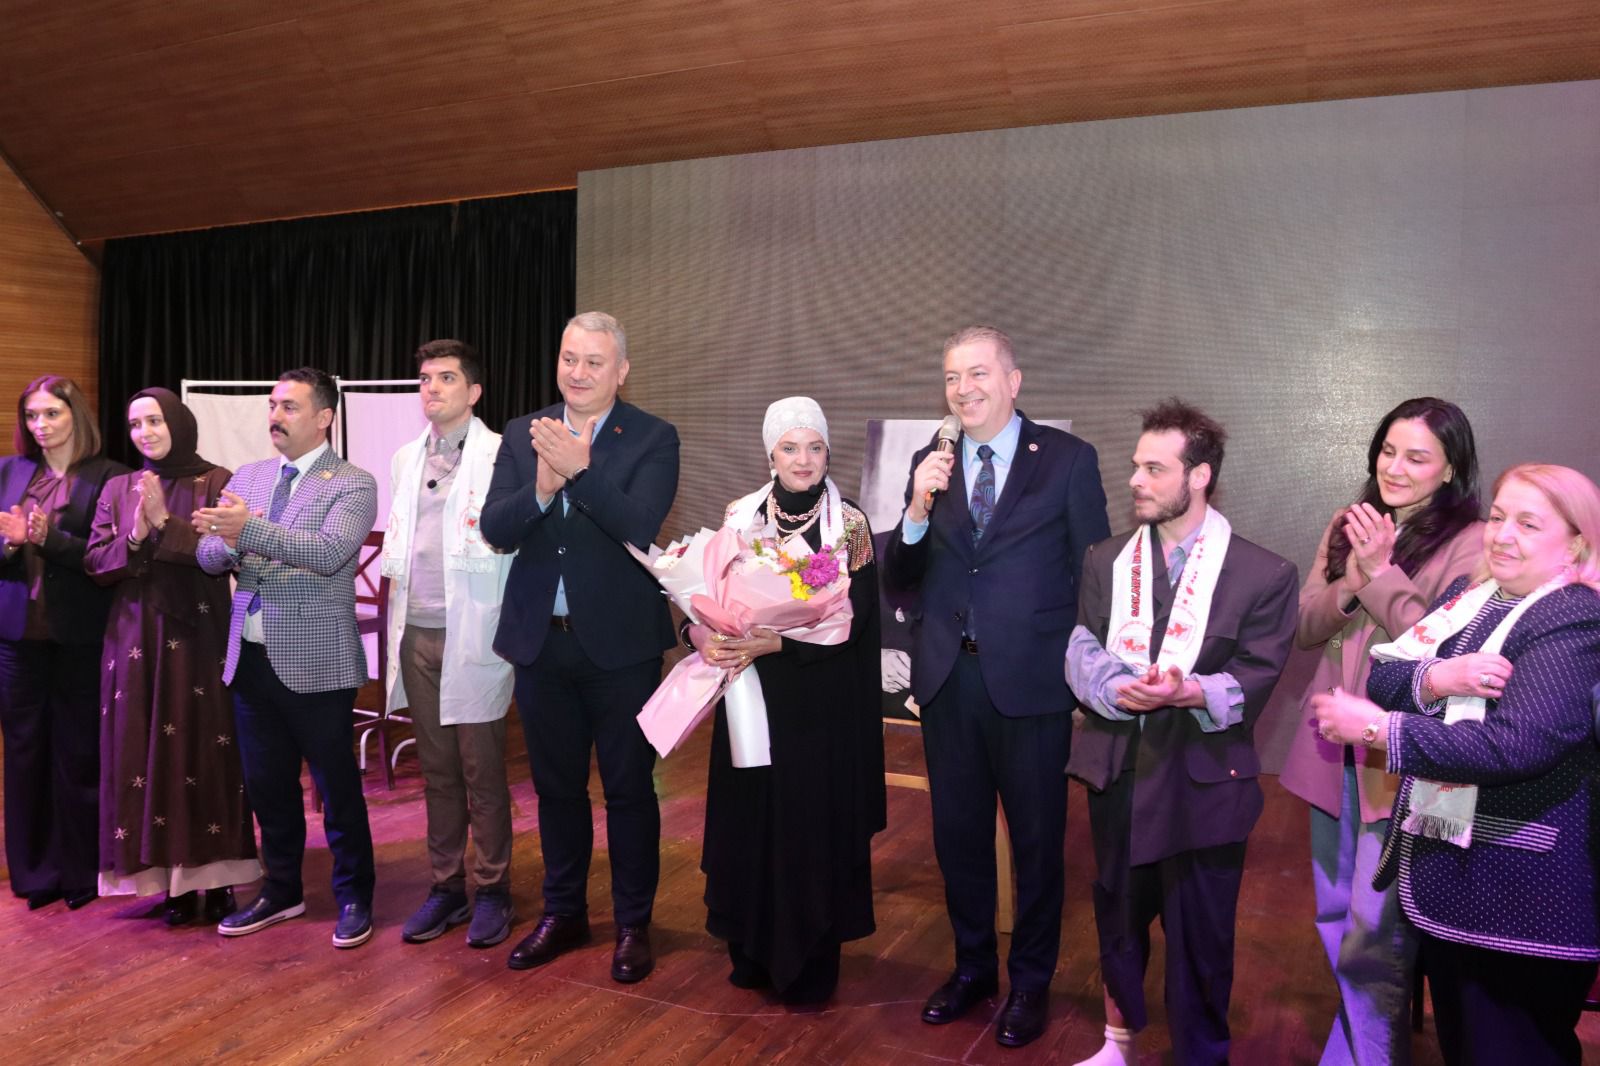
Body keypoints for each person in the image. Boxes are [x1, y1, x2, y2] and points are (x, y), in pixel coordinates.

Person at [1314, 464, 1600, 1066]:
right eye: (1497, 517)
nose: (1502, 535)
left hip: (1521, 892)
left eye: (1528, 524)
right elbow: (1386, 674)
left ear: (1576, 543)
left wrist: (1380, 730)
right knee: (1465, 1044)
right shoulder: (1470, 598)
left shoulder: (1573, 615)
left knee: (1513, 1048)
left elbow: (1516, 745)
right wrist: (1439, 677)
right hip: (1453, 868)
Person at [882, 325, 1109, 1048]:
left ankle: (1031, 983)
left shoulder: (1068, 460)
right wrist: (915, 511)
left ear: (1013, 381)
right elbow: (900, 577)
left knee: (1039, 843)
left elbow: (1095, 575)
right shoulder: (931, 462)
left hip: (1033, 683)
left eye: (978, 373)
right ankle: (973, 968)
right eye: (952, 377)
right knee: (959, 839)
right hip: (950, 681)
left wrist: (1087, 678)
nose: (963, 389)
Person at [1066, 400, 1298, 1066]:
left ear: (1199, 476)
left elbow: (1256, 675)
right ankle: (1117, 1043)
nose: (1135, 480)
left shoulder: (1263, 574)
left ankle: (1201, 1055)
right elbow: (1082, 645)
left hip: (1205, 782)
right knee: (1117, 917)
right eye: (1136, 466)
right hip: (1119, 767)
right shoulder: (1106, 558)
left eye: (1154, 469)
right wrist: (1115, 690)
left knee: (1202, 936)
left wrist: (1188, 691)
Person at [1273, 397, 1483, 1065]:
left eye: (1417, 457)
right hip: (1328, 749)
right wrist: (1350, 581)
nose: (1395, 467)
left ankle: (1361, 1054)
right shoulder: (1352, 522)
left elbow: (1439, 649)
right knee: (1335, 915)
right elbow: (1305, 628)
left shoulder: (1473, 543)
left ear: (1450, 470)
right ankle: (1363, 1042)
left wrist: (1382, 573)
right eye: (1388, 451)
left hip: (1404, 759)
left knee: (1375, 932)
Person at [481, 311, 679, 983]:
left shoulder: (653, 436)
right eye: (570, 358)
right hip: (542, 645)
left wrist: (580, 471)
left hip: (621, 649)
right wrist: (542, 487)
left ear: (621, 371)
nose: (579, 372)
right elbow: (495, 527)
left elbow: (640, 524)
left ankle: (632, 924)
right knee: (556, 790)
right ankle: (563, 913)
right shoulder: (522, 432)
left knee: (628, 791)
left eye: (595, 362)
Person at [684, 396, 886, 1004]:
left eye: (815, 447)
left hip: (820, 705)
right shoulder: (739, 516)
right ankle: (751, 948)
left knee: (810, 828)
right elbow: (707, 593)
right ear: (770, 454)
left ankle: (810, 961)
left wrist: (785, 642)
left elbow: (861, 619)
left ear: (828, 452)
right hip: (752, 696)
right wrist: (700, 632)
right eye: (791, 447)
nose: (804, 459)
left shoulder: (850, 525)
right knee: (754, 821)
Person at [194, 368, 379, 949]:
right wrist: (228, 542)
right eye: (272, 406)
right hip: (249, 656)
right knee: (268, 787)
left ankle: (354, 896)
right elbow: (206, 555)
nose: (275, 416)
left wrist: (247, 532)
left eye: (290, 407)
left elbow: (327, 553)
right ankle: (281, 890)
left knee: (337, 789)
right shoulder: (248, 475)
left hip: (317, 661)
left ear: (324, 417)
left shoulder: (352, 482)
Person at [84, 388, 258, 925]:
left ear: (178, 423)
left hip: (200, 636)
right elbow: (96, 563)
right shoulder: (118, 487)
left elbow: (224, 556)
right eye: (136, 424)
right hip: (134, 640)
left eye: (155, 421)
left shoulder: (217, 482)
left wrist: (165, 523)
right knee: (142, 755)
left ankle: (219, 880)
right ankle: (169, 885)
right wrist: (136, 535)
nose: (145, 433)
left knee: (205, 750)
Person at [379, 341, 516, 948]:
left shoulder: (502, 454)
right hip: (417, 629)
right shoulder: (405, 458)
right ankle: (445, 886)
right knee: (435, 770)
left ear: (474, 391)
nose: (431, 388)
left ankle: (493, 888)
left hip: (475, 629)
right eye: (425, 379)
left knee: (481, 770)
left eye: (446, 378)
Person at [0, 375, 127, 910]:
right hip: (16, 636)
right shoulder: (10, 472)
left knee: (79, 753)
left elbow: (107, 560)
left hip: (80, 634)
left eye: (51, 413)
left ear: (76, 415)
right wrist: (10, 546)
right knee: (24, 752)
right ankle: (34, 874)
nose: (40, 425)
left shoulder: (109, 477)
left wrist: (44, 539)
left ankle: (80, 872)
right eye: (32, 415)